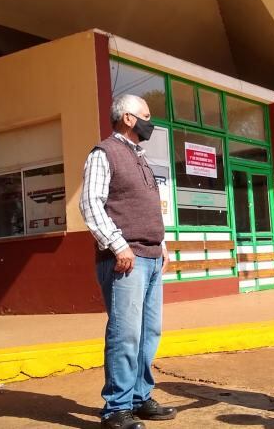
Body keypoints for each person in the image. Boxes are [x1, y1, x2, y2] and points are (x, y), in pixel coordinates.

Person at [80, 94, 175, 429]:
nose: (152, 122)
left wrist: (161, 243)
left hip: (149, 256)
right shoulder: (104, 153)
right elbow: (90, 203)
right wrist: (119, 246)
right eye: (147, 115)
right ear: (129, 119)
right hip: (125, 258)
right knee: (125, 333)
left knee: (149, 331)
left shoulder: (140, 157)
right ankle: (116, 408)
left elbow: (144, 208)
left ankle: (139, 396)